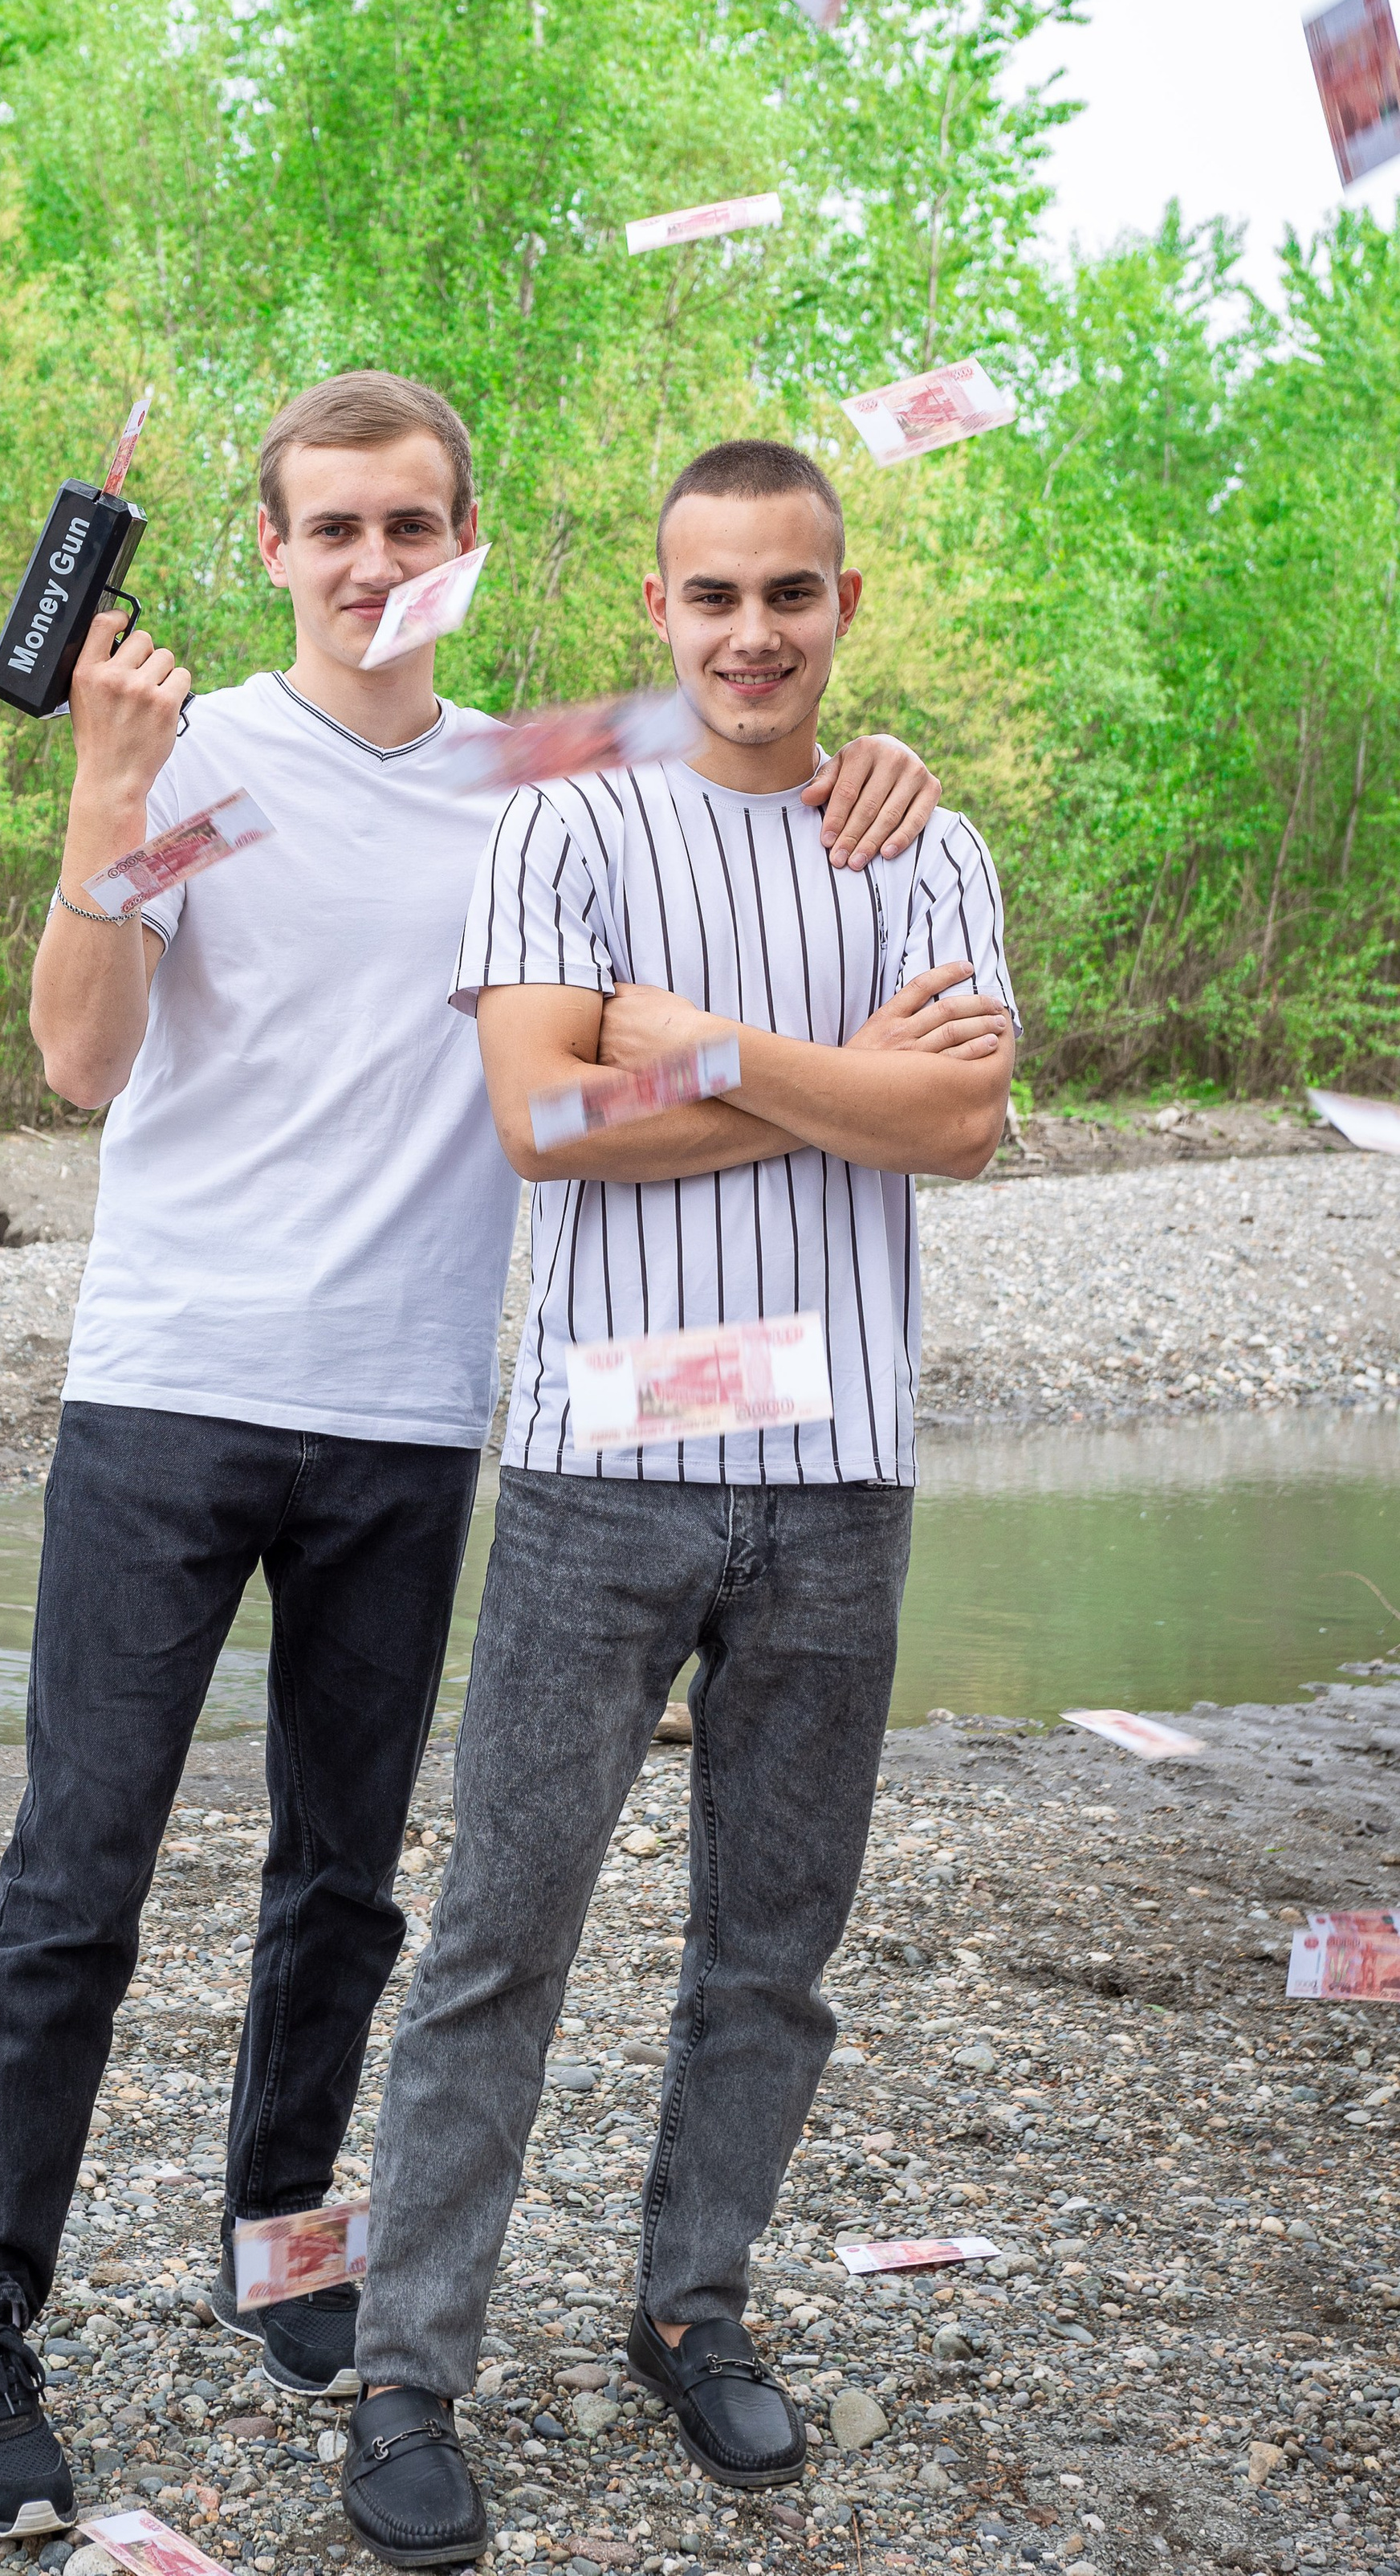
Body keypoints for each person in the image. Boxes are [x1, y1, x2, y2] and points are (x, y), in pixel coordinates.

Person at [0, 378, 945, 2545]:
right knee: (77, 1874)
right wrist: (105, 793)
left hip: (410, 1411)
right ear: (271, 552)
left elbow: (754, 709)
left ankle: (289, 2251)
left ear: (466, 542)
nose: (373, 567)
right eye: (333, 532)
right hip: (176, 1391)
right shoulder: (201, 773)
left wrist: (885, 763)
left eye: (411, 529)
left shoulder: (532, 779)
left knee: (345, 1881)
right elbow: (83, 1060)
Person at [338, 434, 1017, 2569]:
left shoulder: (923, 847)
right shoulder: (570, 821)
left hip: (839, 1482)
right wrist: (846, 1088)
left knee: (772, 1956)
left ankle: (689, 2308)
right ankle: (407, 2374)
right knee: (499, 1939)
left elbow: (964, 1125)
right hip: (602, 1474)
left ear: (842, 605)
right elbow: (544, 1118)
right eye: (713, 595)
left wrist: (709, 1049)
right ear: (663, 610)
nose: (752, 634)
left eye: (790, 593)